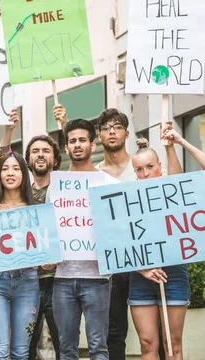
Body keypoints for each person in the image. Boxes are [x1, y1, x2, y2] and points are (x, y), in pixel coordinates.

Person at [127, 123, 205, 360]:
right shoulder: (127, 199)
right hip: (141, 276)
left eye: (150, 167)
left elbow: (182, 178)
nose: (145, 173)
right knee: (147, 344)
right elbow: (118, 243)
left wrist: (179, 143)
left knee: (173, 344)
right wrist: (143, 269)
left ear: (160, 166)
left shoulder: (174, 193)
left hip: (173, 273)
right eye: (139, 169)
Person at [50, 119, 117, 360]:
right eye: (72, 141)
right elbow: (49, 226)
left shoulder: (109, 183)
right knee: (66, 348)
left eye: (82, 140)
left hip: (98, 279)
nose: (77, 145)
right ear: (66, 148)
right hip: (63, 279)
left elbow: (118, 229)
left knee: (99, 347)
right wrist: (48, 255)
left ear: (93, 143)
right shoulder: (54, 185)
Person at [0, 151, 40, 359]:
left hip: (28, 282)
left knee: (21, 352)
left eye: (16, 168)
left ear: (24, 174)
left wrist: (48, 262)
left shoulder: (37, 212)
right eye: (5, 169)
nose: (10, 173)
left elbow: (44, 251)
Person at [96, 109, 137, 360]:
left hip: (146, 256)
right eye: (106, 127)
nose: (112, 131)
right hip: (112, 261)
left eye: (118, 126)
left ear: (126, 133)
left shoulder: (143, 165)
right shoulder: (94, 175)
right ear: (99, 136)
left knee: (155, 328)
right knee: (115, 330)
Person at [25, 134, 63, 360]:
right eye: (35, 151)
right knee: (26, 345)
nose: (40, 155)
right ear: (28, 160)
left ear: (55, 160)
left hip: (61, 281)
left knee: (64, 343)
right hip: (28, 282)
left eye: (46, 151)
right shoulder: (18, 194)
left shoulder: (67, 193)